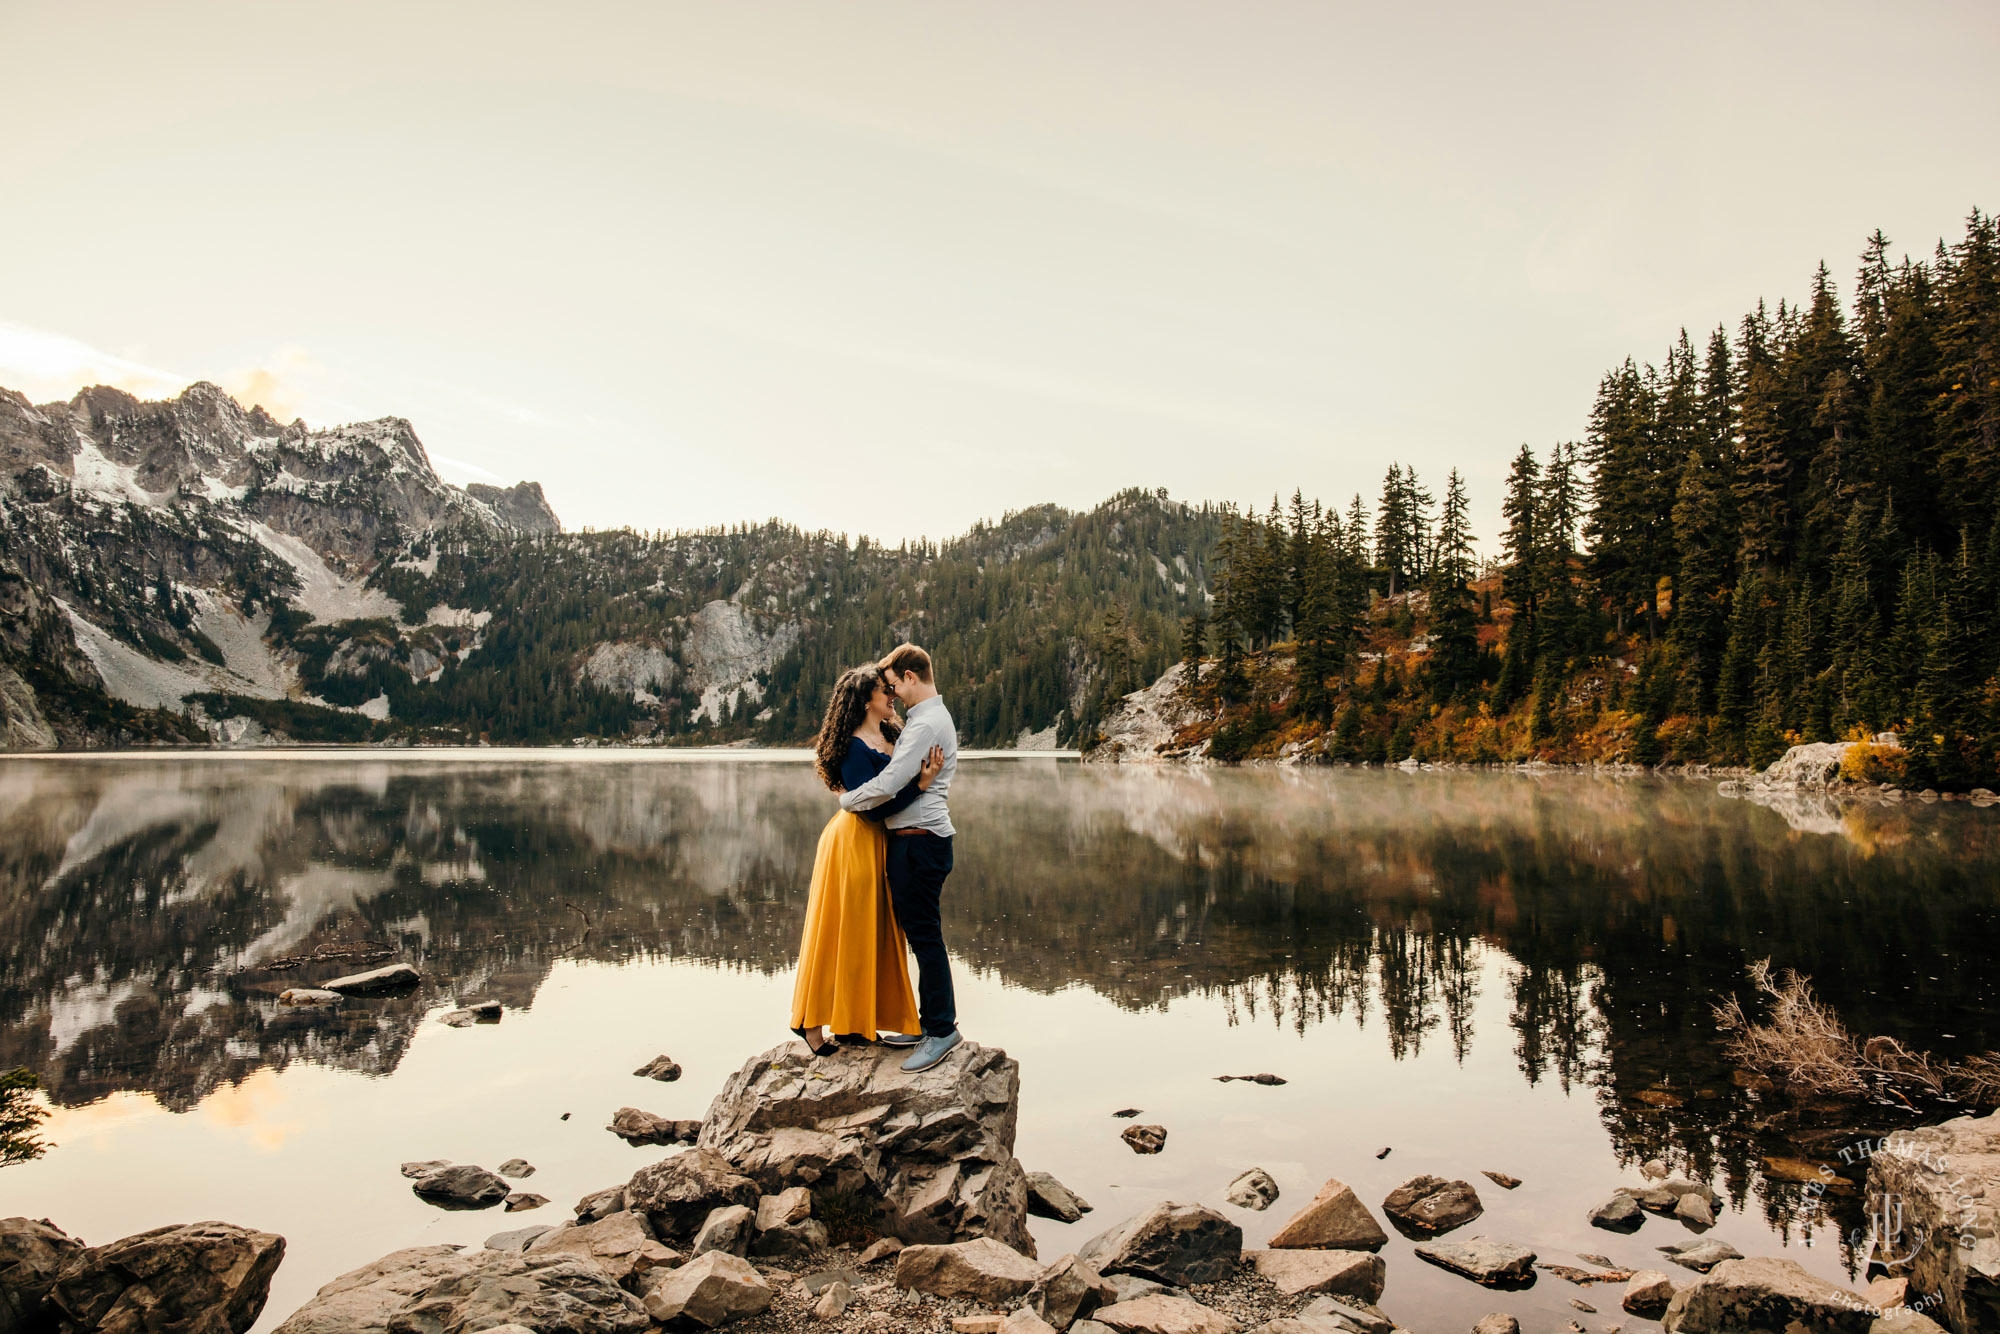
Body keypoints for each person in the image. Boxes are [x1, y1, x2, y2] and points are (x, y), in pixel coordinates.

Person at [789, 665, 945, 1056]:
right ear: (864, 700)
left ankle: (856, 1021)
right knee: (842, 930)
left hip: (883, 843)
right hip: (854, 842)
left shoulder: (891, 734)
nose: (891, 694)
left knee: (869, 934)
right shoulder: (851, 748)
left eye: (891, 688)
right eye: (883, 690)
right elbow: (872, 810)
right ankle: (809, 1023)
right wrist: (921, 786)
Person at [838, 643, 961, 1073]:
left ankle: (942, 1032)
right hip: (915, 840)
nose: (892, 694)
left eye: (893, 684)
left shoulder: (926, 725)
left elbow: (891, 780)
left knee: (925, 937)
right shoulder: (923, 721)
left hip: (920, 841)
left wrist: (848, 801)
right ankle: (928, 1025)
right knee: (919, 934)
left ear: (910, 677)